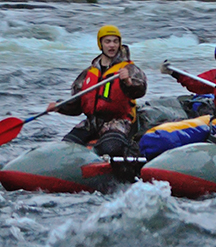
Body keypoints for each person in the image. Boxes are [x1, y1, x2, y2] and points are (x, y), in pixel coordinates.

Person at [48, 25, 147, 157]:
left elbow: (140, 89)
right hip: (92, 122)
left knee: (111, 147)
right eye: (107, 41)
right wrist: (59, 106)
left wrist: (128, 82)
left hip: (118, 121)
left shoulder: (128, 68)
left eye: (115, 41)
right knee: (67, 146)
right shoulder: (89, 72)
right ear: (100, 44)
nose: (112, 45)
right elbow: (77, 104)